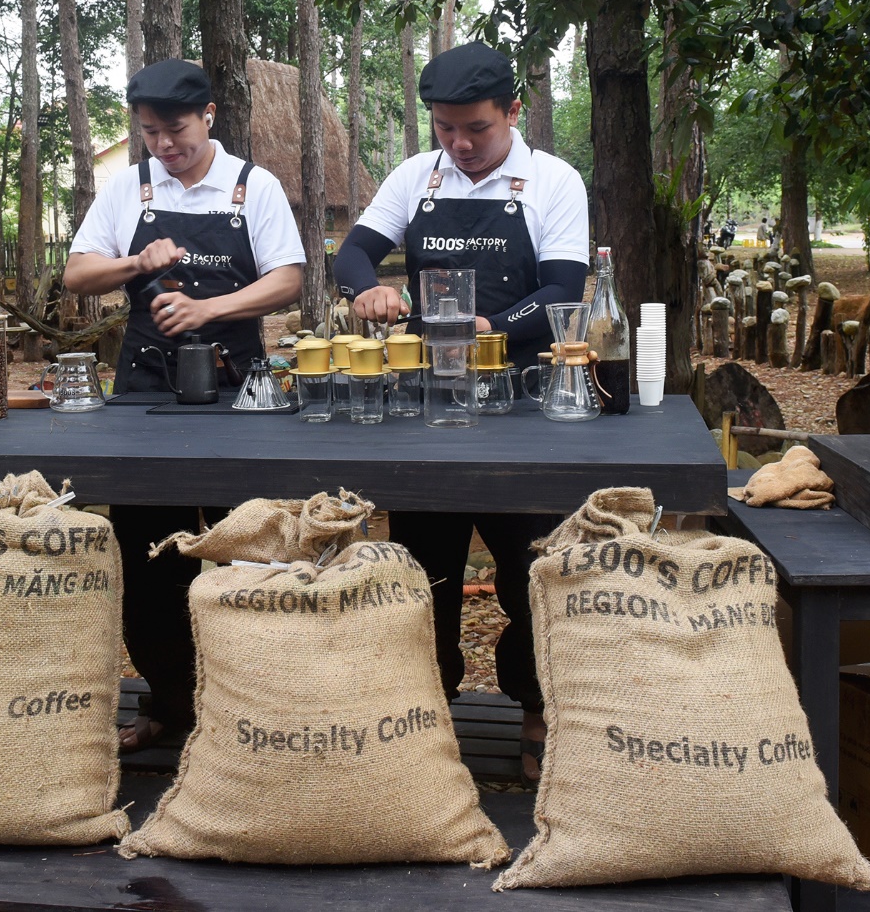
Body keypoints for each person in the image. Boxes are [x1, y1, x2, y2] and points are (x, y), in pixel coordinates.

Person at [331, 41, 589, 783]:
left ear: (512, 112)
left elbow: (563, 290)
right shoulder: (417, 176)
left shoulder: (552, 181)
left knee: (528, 566)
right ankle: (425, 706)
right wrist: (366, 290)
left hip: (522, 409)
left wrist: (493, 329)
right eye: (444, 128)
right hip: (430, 405)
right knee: (424, 570)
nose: (459, 143)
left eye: (474, 127)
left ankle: (538, 706)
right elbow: (353, 253)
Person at [64, 59, 305, 752]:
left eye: (175, 131)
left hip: (239, 391)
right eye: (149, 133)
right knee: (150, 561)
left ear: (209, 117)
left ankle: (259, 710)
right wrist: (135, 264)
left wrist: (208, 306)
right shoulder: (128, 190)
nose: (164, 146)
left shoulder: (251, 187)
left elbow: (286, 278)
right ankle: (171, 706)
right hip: (143, 392)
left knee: (253, 551)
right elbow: (79, 274)